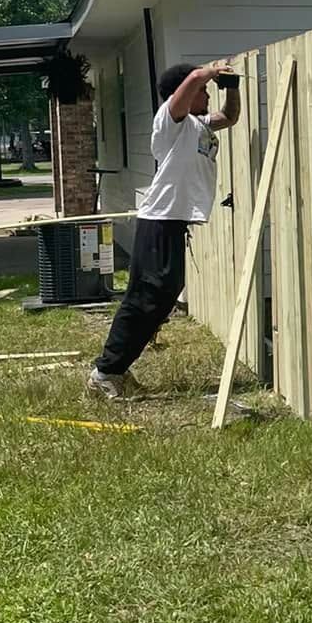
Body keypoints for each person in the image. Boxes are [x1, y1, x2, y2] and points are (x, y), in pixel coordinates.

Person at [88, 58, 240, 399]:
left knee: (163, 293)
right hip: (159, 219)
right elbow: (194, 80)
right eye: (202, 91)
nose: (207, 95)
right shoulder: (169, 122)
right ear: (181, 94)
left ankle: (116, 369)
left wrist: (232, 87)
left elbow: (230, 117)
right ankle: (105, 372)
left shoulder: (199, 125)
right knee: (144, 298)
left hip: (172, 221)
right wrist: (208, 71)